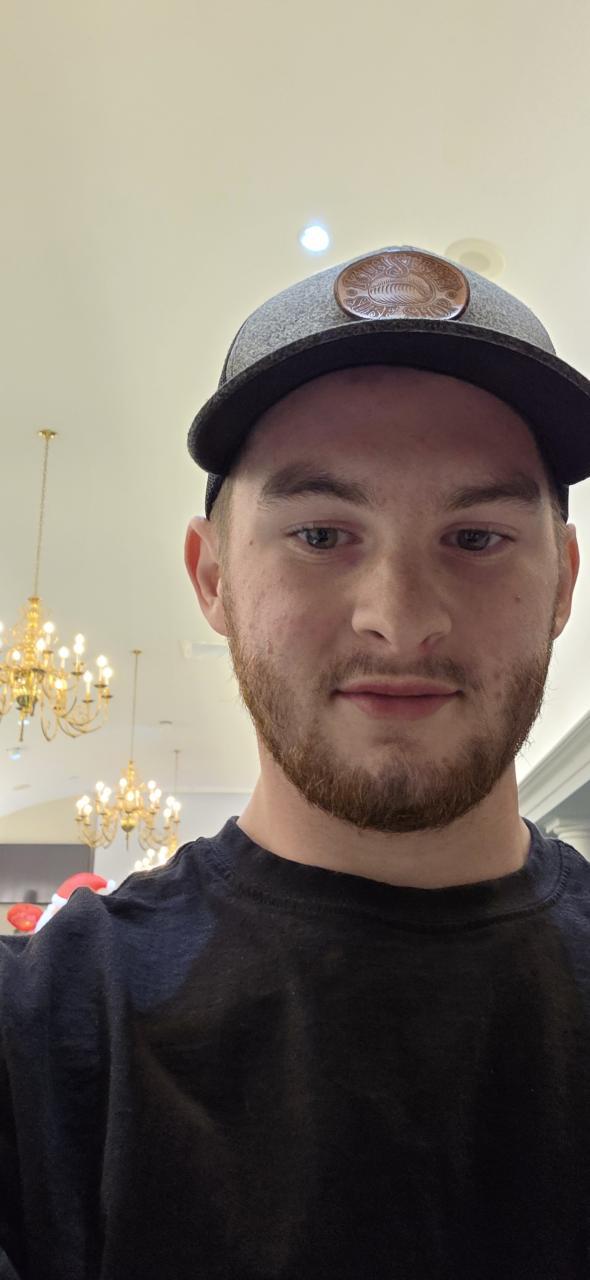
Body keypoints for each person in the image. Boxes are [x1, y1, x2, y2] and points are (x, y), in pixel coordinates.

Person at [2, 245, 590, 1280]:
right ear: (212, 577)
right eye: (321, 533)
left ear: (562, 584)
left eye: (476, 537)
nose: (398, 619)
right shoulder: (42, 1038)